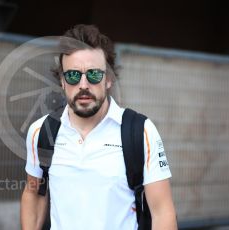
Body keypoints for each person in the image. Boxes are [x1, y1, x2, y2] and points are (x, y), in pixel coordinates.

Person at [21, 24, 177, 230]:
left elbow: (162, 212)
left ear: (109, 79)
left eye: (94, 74)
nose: (83, 85)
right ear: (62, 80)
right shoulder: (41, 132)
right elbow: (34, 193)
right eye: (73, 75)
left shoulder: (140, 131)